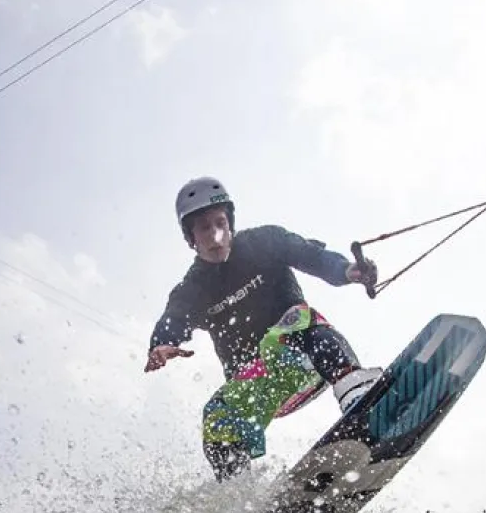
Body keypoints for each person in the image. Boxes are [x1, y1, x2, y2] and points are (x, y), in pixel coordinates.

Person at [145, 176, 384, 481]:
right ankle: (237, 493)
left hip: (309, 360)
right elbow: (173, 319)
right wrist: (162, 343)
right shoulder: (192, 289)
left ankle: (355, 391)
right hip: (258, 384)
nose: (216, 235)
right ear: (191, 238)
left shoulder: (266, 242)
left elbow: (312, 256)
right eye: (205, 228)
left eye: (220, 223)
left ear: (230, 223)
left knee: (297, 319)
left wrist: (347, 271)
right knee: (216, 416)